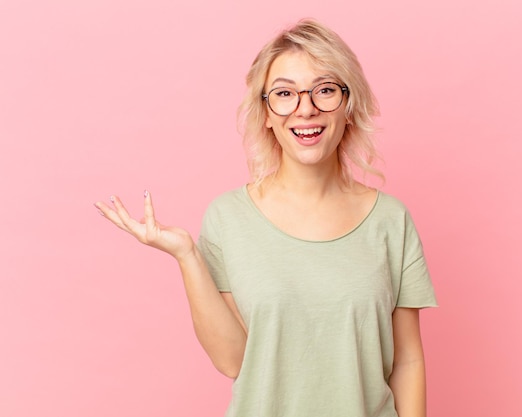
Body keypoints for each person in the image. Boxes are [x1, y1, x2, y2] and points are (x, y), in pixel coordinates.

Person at [94, 19, 437, 417]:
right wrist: (187, 255)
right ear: (267, 113)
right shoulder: (228, 218)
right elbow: (233, 361)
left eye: (324, 90)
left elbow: (408, 360)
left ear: (348, 106)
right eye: (284, 94)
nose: (305, 109)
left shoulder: (391, 221)